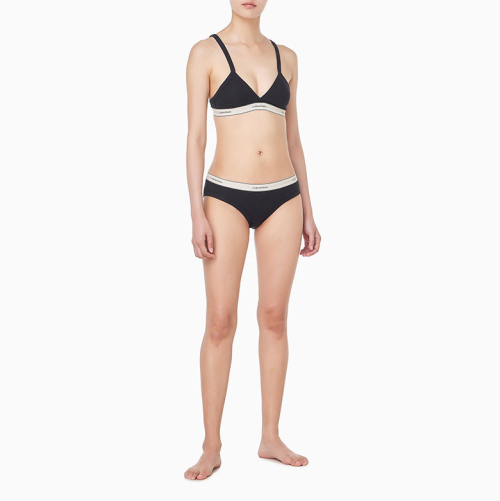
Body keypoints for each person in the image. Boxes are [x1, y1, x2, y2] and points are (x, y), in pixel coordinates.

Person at [184, 0, 321, 481]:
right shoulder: (205, 53)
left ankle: (270, 437)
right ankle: (211, 446)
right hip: (225, 196)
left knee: (275, 318)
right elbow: (195, 139)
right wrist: (196, 212)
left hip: (284, 196)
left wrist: (309, 209)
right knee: (220, 321)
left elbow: (294, 138)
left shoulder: (288, 57)